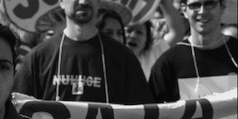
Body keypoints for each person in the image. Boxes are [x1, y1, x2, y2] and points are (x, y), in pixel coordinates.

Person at [12, 0, 153, 104]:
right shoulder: (38, 57)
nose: (84, 2)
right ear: (61, 1)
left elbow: (142, 117)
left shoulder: (124, 58)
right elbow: (17, 111)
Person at [149, 0, 238, 101]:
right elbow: (155, 113)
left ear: (222, 7)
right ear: (184, 10)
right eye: (194, 5)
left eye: (210, 4)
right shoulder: (167, 64)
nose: (202, 11)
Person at [125, 0, 186, 78]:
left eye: (139, 32)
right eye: (128, 30)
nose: (133, 36)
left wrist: (164, 2)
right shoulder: (108, 56)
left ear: (146, 40)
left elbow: (177, 33)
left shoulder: (152, 55)